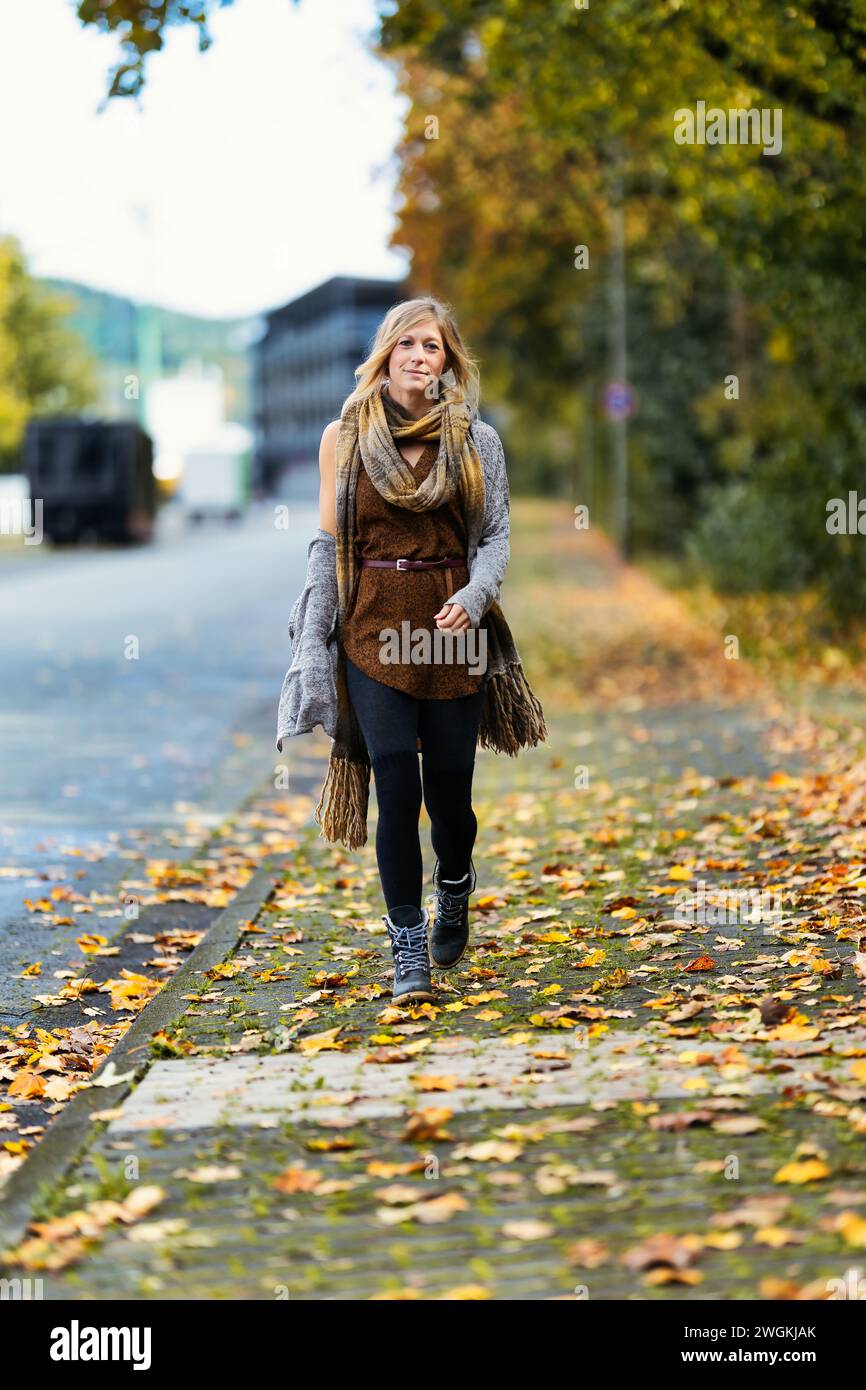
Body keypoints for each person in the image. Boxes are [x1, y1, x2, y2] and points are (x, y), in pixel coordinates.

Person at [276, 296, 546, 1003]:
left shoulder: (476, 440)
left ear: (449, 362)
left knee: (448, 792)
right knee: (395, 777)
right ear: (386, 355)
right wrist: (312, 637)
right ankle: (407, 945)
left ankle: (454, 884)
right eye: (407, 346)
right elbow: (329, 543)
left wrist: (476, 596)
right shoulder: (344, 436)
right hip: (372, 624)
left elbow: (496, 537)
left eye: (433, 347)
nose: (419, 357)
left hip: (452, 626)